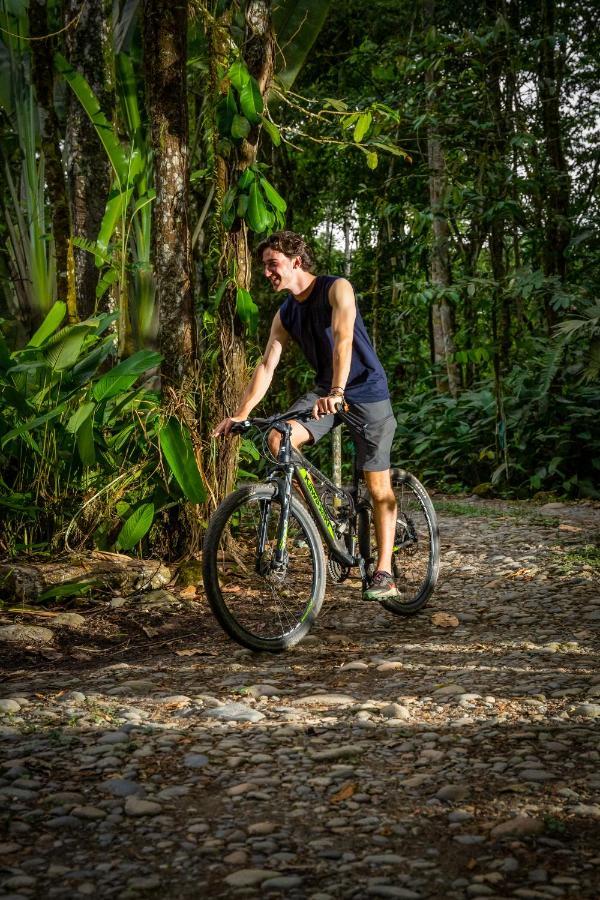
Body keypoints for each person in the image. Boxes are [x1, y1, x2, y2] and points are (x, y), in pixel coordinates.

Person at [212, 230, 399, 601]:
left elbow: (343, 339)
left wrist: (337, 391)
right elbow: (267, 365)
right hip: (325, 393)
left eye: (272, 264)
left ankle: (384, 571)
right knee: (278, 436)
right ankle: (320, 517)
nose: (266, 272)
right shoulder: (285, 314)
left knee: (378, 487)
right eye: (264, 265)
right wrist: (240, 414)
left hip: (363, 391)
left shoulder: (336, 289)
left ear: (296, 261)